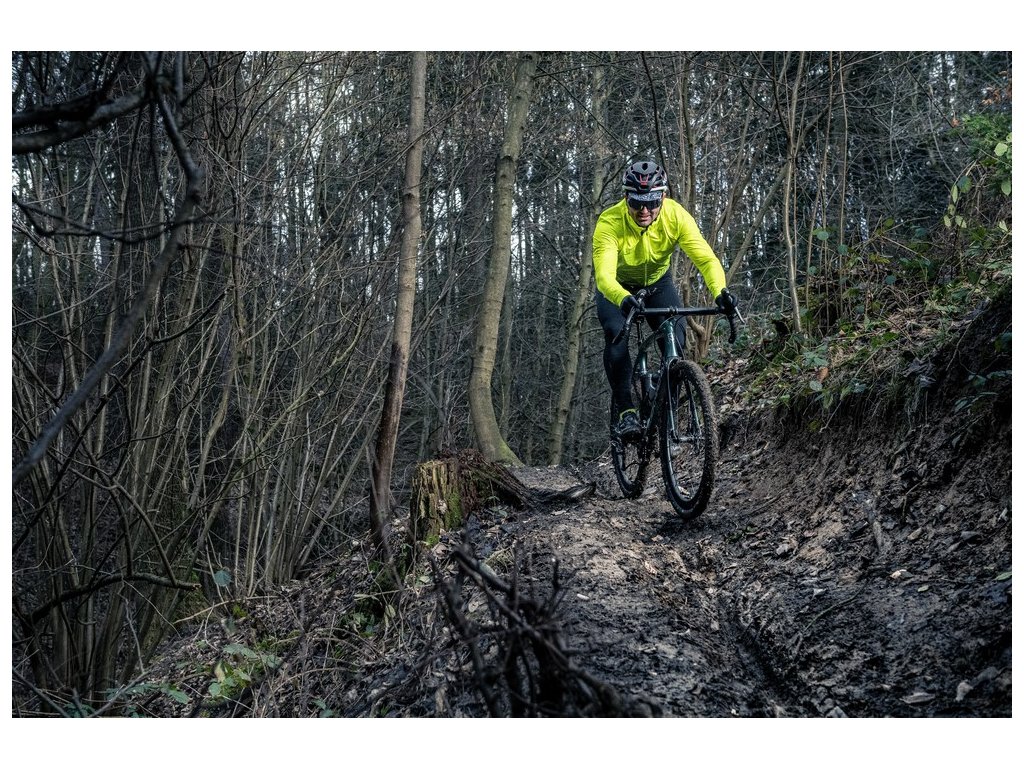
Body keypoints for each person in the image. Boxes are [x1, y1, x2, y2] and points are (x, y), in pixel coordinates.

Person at [593, 159, 737, 441]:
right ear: (626, 198)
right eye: (637, 203)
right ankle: (626, 411)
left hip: (658, 283)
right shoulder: (609, 223)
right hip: (617, 288)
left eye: (651, 202)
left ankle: (663, 398)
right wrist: (623, 298)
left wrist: (720, 291)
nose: (644, 211)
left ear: (663, 197)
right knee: (616, 333)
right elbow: (604, 277)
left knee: (677, 338)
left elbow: (706, 260)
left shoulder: (676, 216)